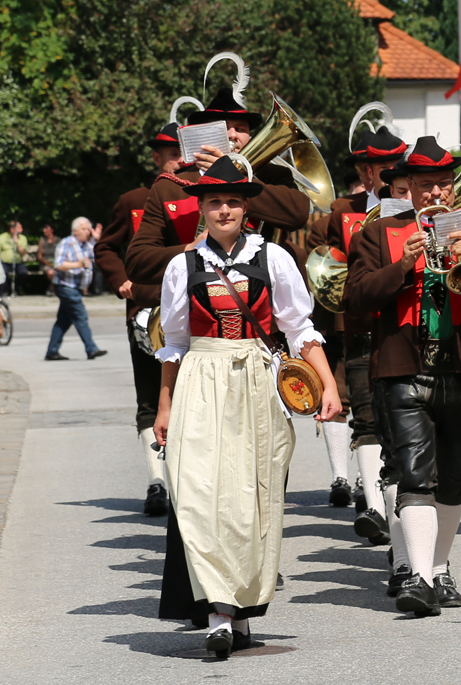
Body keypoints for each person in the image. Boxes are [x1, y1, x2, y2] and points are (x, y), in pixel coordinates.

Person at [152, 156, 340, 657]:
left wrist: (329, 386)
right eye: (215, 201)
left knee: (249, 498)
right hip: (200, 381)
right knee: (197, 492)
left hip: (257, 382)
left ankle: (236, 609)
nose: (224, 209)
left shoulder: (274, 259)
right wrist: (163, 406)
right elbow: (173, 343)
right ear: (203, 208)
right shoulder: (181, 266)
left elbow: (300, 330)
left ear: (246, 207)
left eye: (233, 201)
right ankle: (216, 612)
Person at [346, 136, 461, 617]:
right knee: (414, 473)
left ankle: (438, 568)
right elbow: (356, 298)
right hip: (402, 366)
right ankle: (419, 577)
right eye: (424, 186)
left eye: (443, 184)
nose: (435, 194)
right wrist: (403, 265)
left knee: (452, 477)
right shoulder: (380, 231)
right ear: (407, 187)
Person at [307, 121, 407, 536]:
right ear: (365, 172)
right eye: (377, 166)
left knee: (399, 421)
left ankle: (399, 504)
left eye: (391, 164)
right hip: (361, 325)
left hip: (406, 326)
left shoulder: (413, 205)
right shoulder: (342, 212)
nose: (384, 172)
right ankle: (373, 506)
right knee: (365, 416)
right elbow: (325, 260)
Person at [124, 83, 312, 293]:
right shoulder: (169, 187)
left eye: (240, 129)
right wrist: (190, 250)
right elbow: (137, 262)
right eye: (223, 127)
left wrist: (235, 175)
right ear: (202, 134)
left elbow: (298, 214)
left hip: (265, 306)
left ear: (250, 138)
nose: (232, 135)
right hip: (196, 306)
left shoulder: (273, 176)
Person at [95, 120, 186, 514]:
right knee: (151, 397)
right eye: (173, 154)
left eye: (186, 152)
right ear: (157, 157)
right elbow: (107, 248)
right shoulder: (133, 198)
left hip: (196, 307)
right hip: (147, 308)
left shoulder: (208, 196)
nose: (181, 161)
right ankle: (157, 481)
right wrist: (122, 282)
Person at [45, 217, 107, 361]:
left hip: (76, 288)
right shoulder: (66, 243)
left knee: (63, 320)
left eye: (88, 229)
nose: (87, 232)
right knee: (81, 316)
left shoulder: (86, 244)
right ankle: (91, 349)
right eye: (84, 229)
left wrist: (98, 239)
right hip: (65, 286)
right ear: (75, 231)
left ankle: (52, 351)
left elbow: (98, 254)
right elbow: (58, 264)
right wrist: (77, 264)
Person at [1, 221, 29, 297]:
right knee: (3, 274)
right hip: (5, 262)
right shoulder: (2, 237)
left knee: (23, 274)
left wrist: (17, 243)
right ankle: (5, 290)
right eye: (19, 228)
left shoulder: (23, 238)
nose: (21, 230)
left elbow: (23, 253)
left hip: (18, 262)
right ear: (12, 229)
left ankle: (15, 289)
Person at [37, 225, 58, 295]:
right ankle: (54, 288)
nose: (44, 230)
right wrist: (45, 261)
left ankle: (51, 287)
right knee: (51, 272)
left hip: (57, 263)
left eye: (46, 228)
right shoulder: (42, 241)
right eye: (44, 228)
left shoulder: (58, 240)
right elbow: (39, 256)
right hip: (45, 264)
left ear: (52, 230)